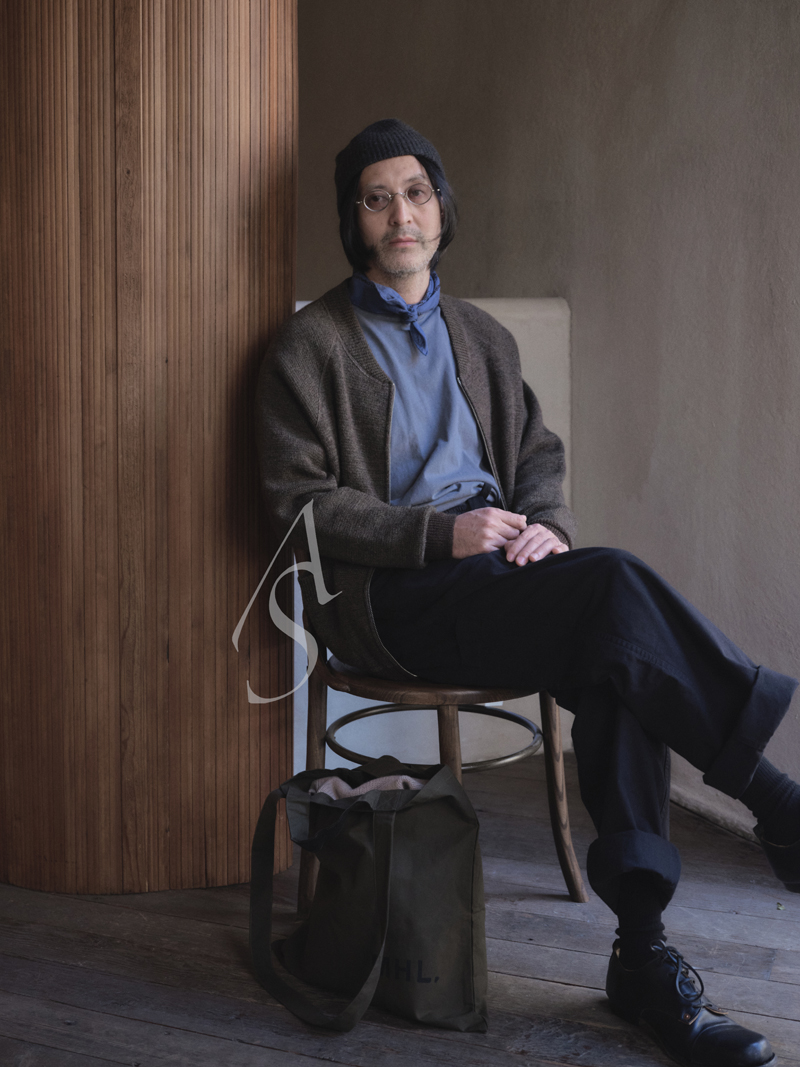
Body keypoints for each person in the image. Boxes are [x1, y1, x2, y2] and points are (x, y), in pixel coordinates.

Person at [257, 119, 799, 1067]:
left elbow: (538, 459)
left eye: (416, 193)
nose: (400, 214)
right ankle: (771, 796)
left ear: (440, 207)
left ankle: (643, 954)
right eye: (377, 198)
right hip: (397, 595)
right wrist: (441, 533)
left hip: (503, 574)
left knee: (618, 659)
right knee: (615, 590)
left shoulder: (482, 336)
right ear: (354, 219)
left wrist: (546, 523)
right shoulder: (309, 347)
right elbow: (297, 505)